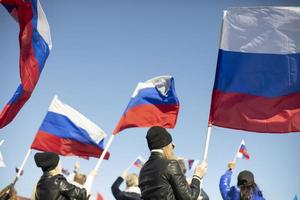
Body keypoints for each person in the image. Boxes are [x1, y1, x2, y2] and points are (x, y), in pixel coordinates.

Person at [139, 126, 208, 200]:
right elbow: (189, 197)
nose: (173, 146)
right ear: (164, 146)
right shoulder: (171, 164)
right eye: (170, 144)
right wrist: (197, 176)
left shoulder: (143, 170)